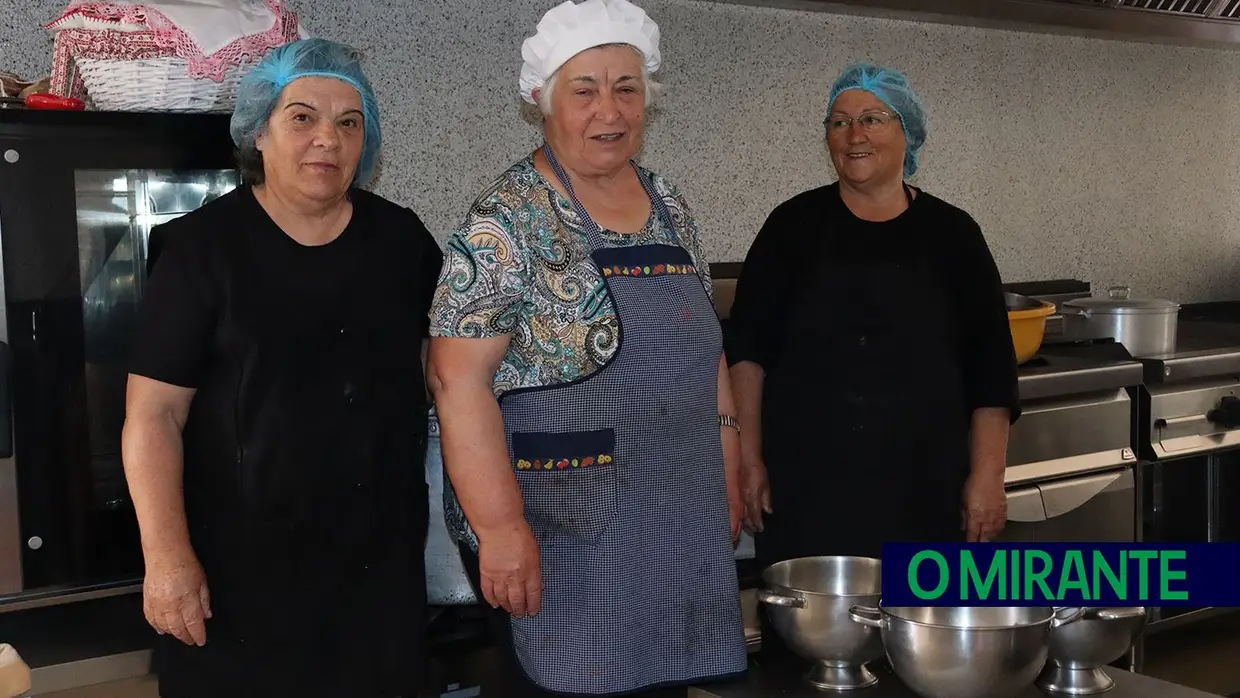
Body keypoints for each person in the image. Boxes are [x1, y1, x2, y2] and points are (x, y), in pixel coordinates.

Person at [426, 0, 749, 695]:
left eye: (626, 88)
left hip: (674, 512)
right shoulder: (503, 218)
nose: (610, 109)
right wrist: (501, 526)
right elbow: (457, 383)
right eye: (586, 89)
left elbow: (705, 352)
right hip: (558, 532)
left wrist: (727, 463)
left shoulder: (670, 202)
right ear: (543, 101)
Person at [121, 38, 442, 698]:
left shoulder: (402, 242)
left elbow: (445, 381)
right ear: (259, 132)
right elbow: (153, 416)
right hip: (238, 575)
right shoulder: (201, 250)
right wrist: (166, 557)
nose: (328, 138)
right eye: (303, 117)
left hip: (377, 572)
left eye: (349, 122)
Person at [726, 63, 1020, 571]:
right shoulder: (791, 227)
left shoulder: (954, 236)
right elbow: (748, 353)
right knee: (815, 642)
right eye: (838, 123)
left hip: (926, 489)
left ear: (907, 132)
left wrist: (987, 476)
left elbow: (990, 368)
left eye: (871, 119)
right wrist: (748, 461)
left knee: (921, 642)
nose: (853, 135)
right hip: (808, 493)